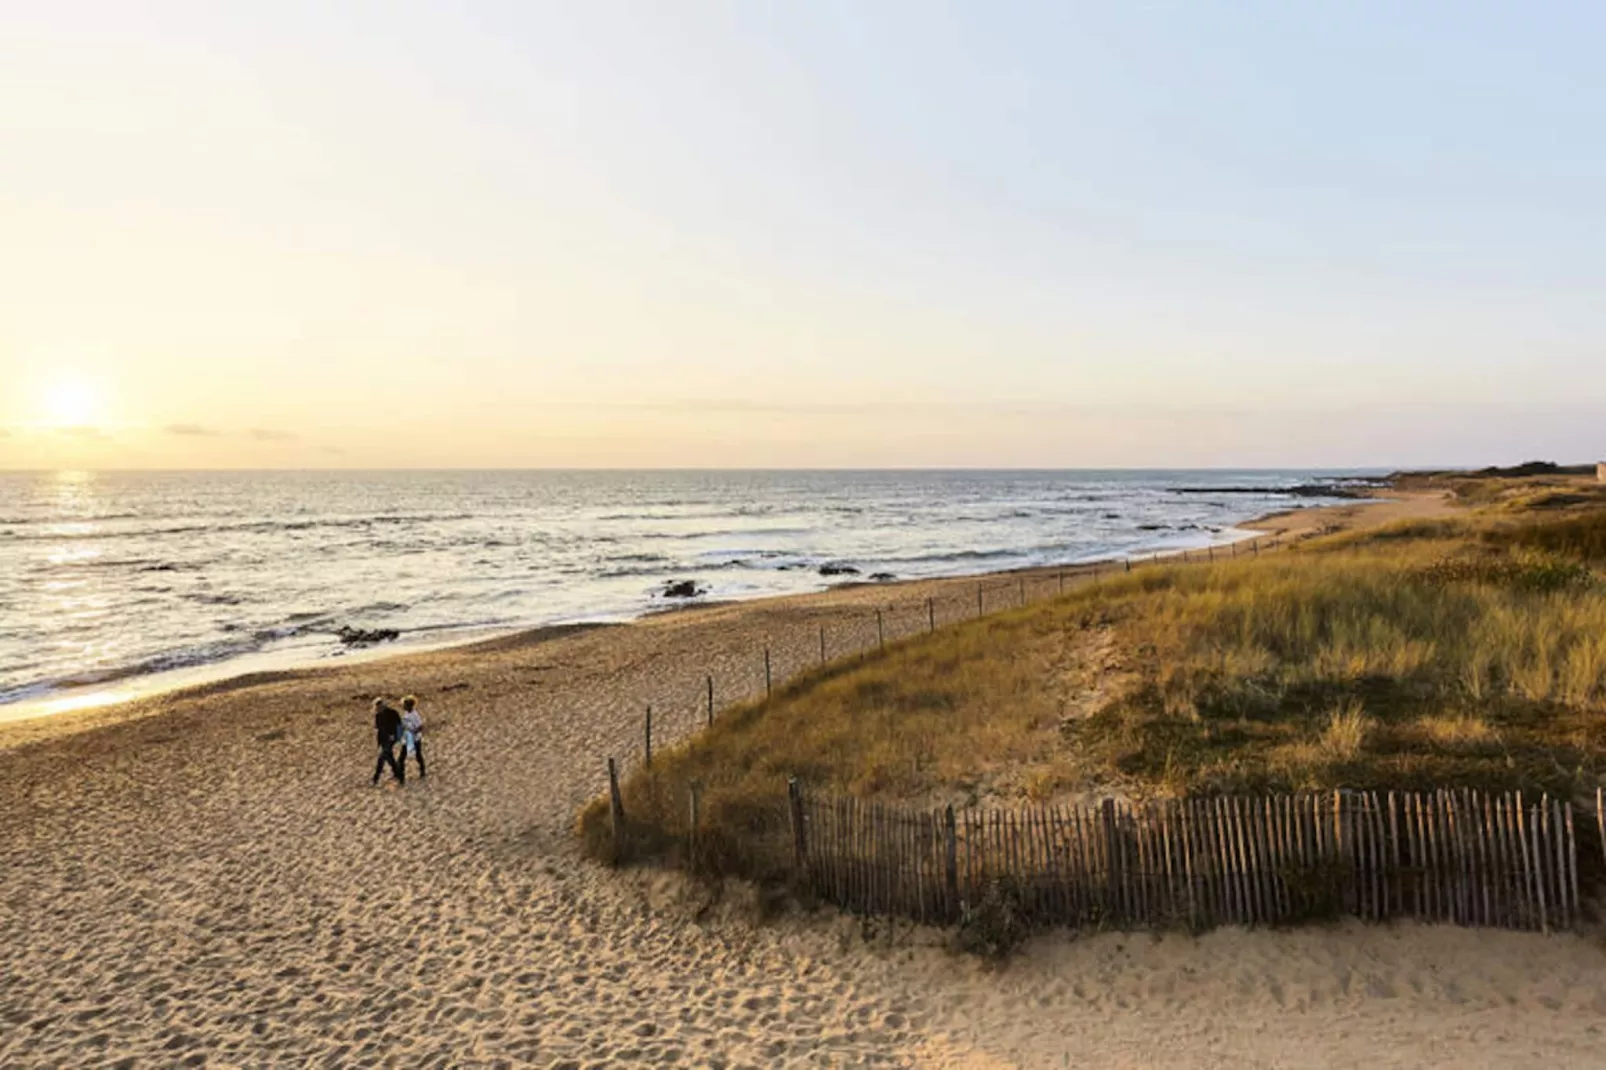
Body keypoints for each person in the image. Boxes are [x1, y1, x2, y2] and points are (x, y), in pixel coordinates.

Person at [371, 697, 404, 786]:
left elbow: (399, 724)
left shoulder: (392, 713)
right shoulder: (378, 715)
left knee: (382, 758)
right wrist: (379, 742)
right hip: (383, 739)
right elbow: (378, 729)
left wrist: (396, 736)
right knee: (389, 758)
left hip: (391, 738)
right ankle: (399, 776)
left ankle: (375, 778)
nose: (379, 708)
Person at [399, 694, 426, 779]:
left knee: (418, 755)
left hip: (415, 738)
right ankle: (400, 773)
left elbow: (420, 726)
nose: (403, 707)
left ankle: (422, 771)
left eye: (404, 705)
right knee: (402, 757)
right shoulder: (406, 713)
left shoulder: (415, 715)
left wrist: (413, 732)